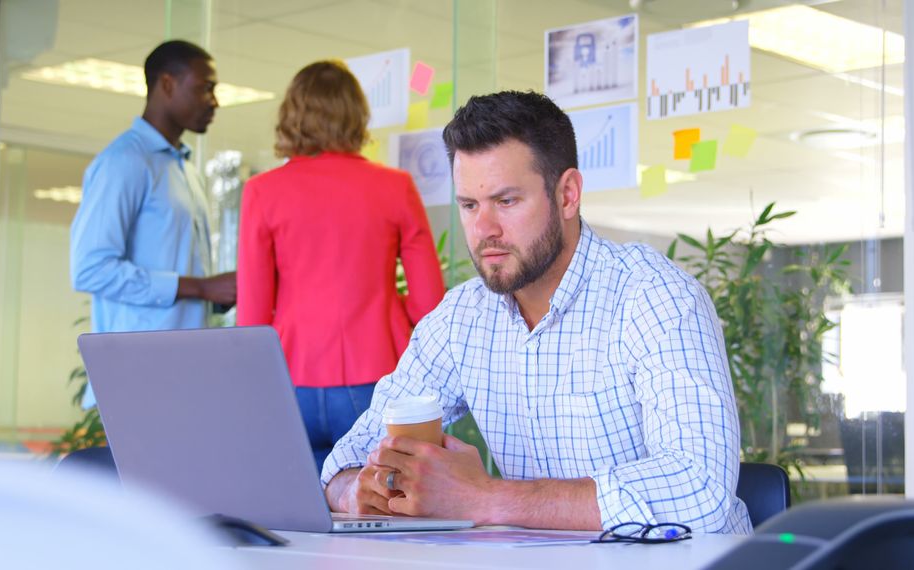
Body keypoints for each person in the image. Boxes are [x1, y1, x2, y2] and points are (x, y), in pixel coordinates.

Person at [322, 91, 753, 534]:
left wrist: (483, 498)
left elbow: (701, 491)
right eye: (469, 205)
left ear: (567, 195)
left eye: (506, 201)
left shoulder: (655, 298)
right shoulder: (462, 317)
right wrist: (356, 488)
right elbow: (351, 452)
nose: (484, 229)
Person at [236, 60, 445, 470]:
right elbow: (429, 303)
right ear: (357, 115)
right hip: (375, 374)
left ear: (291, 116)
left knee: (300, 510)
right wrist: (386, 312)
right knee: (376, 506)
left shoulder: (262, 192)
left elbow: (253, 314)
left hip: (290, 376)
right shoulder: (395, 186)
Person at [71, 40, 235, 407]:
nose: (214, 101)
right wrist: (201, 288)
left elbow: (181, 277)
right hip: (136, 376)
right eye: (204, 88)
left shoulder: (183, 170)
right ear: (166, 85)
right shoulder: (125, 161)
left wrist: (217, 294)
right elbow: (90, 269)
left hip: (181, 372)